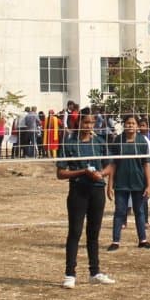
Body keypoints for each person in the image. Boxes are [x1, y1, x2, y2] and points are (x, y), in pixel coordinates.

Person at [58, 111, 117, 289]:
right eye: (86, 122)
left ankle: (95, 272)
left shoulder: (99, 142)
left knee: (94, 234)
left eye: (92, 122)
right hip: (78, 190)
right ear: (79, 123)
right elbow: (60, 173)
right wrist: (83, 172)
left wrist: (102, 174)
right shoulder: (69, 142)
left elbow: (110, 165)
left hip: (97, 191)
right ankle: (70, 274)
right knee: (75, 232)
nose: (89, 126)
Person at [106, 116, 150, 251]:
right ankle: (115, 241)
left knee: (139, 212)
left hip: (138, 182)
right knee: (120, 212)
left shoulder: (142, 141)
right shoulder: (118, 141)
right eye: (128, 123)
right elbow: (113, 164)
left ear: (137, 126)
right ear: (124, 125)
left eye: (133, 123)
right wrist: (109, 185)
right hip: (121, 183)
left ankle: (143, 240)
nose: (130, 125)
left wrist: (149, 185)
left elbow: (146, 164)